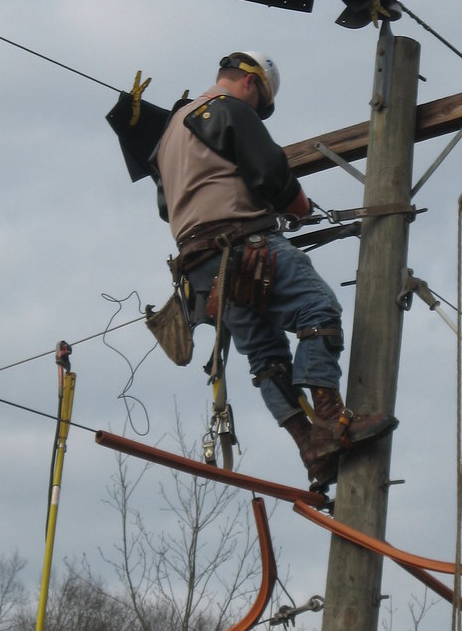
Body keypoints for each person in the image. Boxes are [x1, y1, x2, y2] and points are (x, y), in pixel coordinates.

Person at [154, 50, 397, 488]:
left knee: (266, 357)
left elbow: (163, 206)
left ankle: (311, 448)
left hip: (202, 270)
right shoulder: (229, 110)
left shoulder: (170, 133)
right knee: (318, 310)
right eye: (259, 100)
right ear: (250, 82)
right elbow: (271, 173)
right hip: (245, 244)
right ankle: (330, 418)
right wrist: (298, 206)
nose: (257, 110)